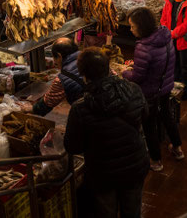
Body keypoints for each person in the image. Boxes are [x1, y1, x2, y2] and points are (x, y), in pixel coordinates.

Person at [64, 47, 150, 218]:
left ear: (84, 75)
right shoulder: (133, 89)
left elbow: (72, 146)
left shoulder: (80, 108)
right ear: (107, 68)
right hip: (135, 165)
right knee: (132, 212)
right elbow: (145, 116)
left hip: (103, 174)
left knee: (106, 213)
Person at [123, 7, 184, 172]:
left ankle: (156, 161)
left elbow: (137, 77)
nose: (130, 29)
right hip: (165, 87)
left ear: (141, 27)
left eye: (132, 26)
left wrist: (124, 72)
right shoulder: (165, 36)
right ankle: (177, 149)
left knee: (149, 126)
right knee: (167, 117)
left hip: (150, 92)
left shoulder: (144, 47)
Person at [31, 38, 83, 116]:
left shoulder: (62, 79)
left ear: (59, 56)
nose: (54, 62)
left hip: (89, 116)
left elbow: (47, 103)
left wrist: (31, 108)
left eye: (54, 58)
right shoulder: (89, 57)